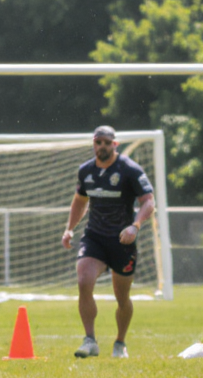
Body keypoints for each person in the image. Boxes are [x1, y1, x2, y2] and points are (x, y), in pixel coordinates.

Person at [62, 125, 155, 358]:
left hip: (122, 241)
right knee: (84, 280)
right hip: (94, 237)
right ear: (93, 144)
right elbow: (79, 202)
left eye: (106, 142)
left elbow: (148, 201)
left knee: (122, 297)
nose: (101, 146)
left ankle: (120, 343)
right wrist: (69, 229)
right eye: (98, 142)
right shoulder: (85, 171)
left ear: (115, 145)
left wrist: (135, 226)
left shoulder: (129, 170)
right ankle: (90, 340)